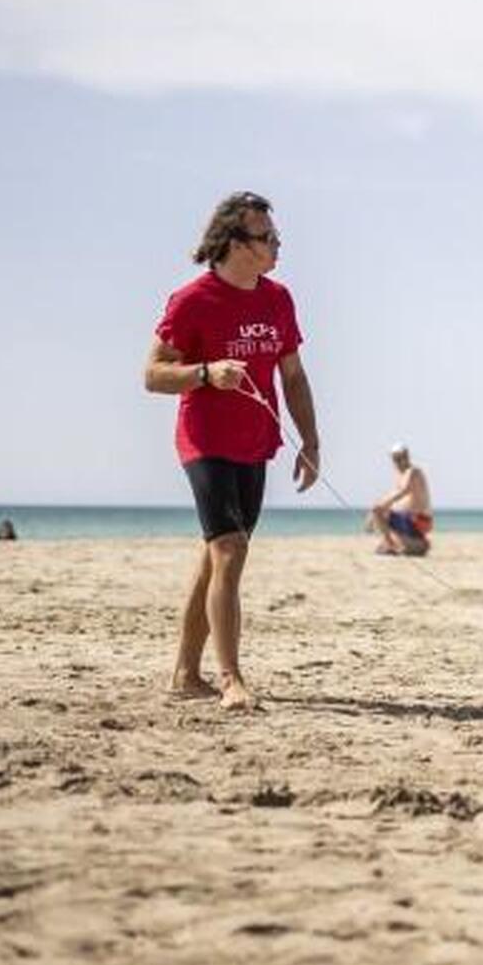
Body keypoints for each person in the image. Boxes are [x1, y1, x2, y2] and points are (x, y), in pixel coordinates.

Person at [144, 190, 320, 711]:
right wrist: (205, 373)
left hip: (256, 445)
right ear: (234, 242)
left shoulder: (278, 299)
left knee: (214, 558)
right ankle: (231, 679)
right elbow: (153, 375)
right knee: (231, 550)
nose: (276, 245)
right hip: (204, 441)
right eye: (267, 238)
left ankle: (183, 674)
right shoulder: (191, 301)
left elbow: (293, 375)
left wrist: (310, 440)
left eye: (275, 236)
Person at [367, 443, 433, 556]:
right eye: (395, 459)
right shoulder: (401, 475)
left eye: (400, 458)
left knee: (378, 512)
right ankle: (410, 544)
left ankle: (392, 545)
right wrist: (375, 511)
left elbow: (403, 491)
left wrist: (379, 508)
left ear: (407, 457)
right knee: (378, 516)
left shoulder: (413, 471)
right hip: (409, 520)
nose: (397, 462)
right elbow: (391, 496)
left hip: (417, 520)